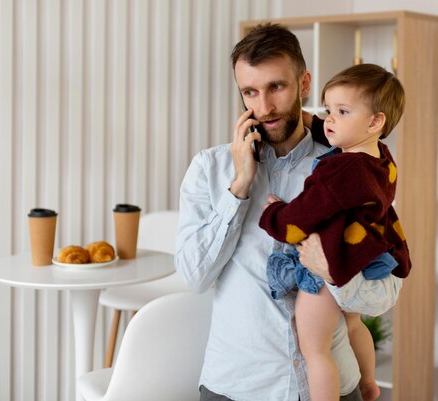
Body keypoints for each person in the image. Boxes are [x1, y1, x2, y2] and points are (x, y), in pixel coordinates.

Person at [175, 23, 403, 401]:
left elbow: (386, 292)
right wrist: (239, 189)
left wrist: (332, 271)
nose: (263, 108)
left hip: (334, 387)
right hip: (237, 387)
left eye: (276, 87)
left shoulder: (350, 168)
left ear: (304, 84)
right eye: (250, 92)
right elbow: (195, 276)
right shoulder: (210, 169)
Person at [259, 63, 410, 401]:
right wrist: (321, 122)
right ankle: (369, 382)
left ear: (375, 122)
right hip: (363, 260)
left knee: (314, 348)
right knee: (353, 325)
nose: (329, 120)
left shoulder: (340, 171)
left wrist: (274, 214)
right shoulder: (380, 157)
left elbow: (301, 216)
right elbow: (336, 135)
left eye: (342, 112)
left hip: (329, 267)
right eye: (328, 110)